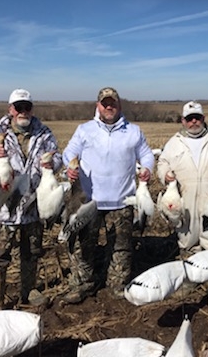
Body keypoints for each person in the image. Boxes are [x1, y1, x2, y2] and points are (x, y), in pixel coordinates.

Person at [62, 87, 154, 303]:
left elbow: (146, 154)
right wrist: (70, 166)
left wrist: (147, 167)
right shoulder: (85, 130)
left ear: (119, 105)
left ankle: (117, 285)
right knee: (84, 245)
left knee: (121, 247)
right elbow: (69, 153)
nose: (109, 106)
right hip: (89, 201)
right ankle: (83, 284)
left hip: (122, 200)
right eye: (105, 103)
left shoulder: (133, 131)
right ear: (98, 106)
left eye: (113, 103)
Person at [0, 88, 62, 310]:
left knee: (31, 253)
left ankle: (28, 292)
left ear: (31, 108)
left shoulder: (44, 133)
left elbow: (58, 158)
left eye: (27, 107)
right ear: (10, 109)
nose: (23, 111)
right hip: (3, 210)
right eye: (18, 107)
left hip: (33, 205)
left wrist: (53, 164)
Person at [157, 101, 208, 254]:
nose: (193, 121)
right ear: (183, 121)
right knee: (188, 240)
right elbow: (162, 163)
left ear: (203, 118)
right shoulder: (174, 143)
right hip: (186, 200)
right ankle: (190, 270)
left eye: (197, 118)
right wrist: (165, 174)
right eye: (189, 118)